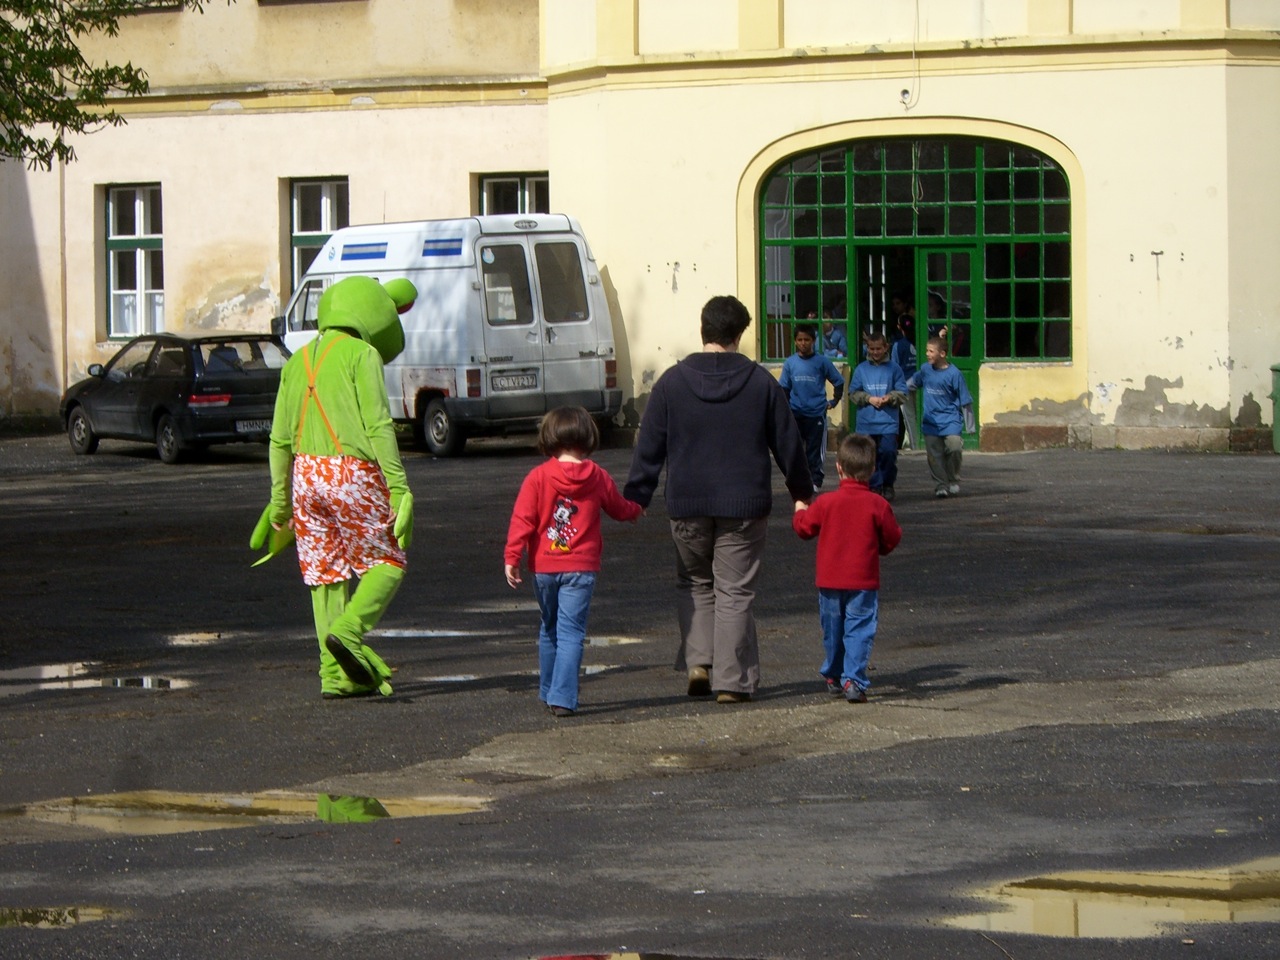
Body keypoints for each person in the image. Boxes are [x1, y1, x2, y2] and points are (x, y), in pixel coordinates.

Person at [624, 295, 812, 705]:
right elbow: (788, 443)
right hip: (744, 504)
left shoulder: (671, 383)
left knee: (694, 582)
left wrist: (638, 495)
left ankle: (699, 663)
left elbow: (650, 444)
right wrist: (801, 492)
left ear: (703, 329)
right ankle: (733, 681)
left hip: (687, 503)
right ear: (739, 335)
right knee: (735, 591)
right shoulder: (761, 383)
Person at [252, 275, 418, 698]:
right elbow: (378, 425)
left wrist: (279, 503)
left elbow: (278, 440)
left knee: (325, 574)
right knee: (388, 561)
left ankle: (334, 676)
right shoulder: (362, 354)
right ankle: (349, 632)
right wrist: (399, 487)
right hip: (351, 473)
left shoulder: (295, 362)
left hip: (306, 477)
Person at [503, 406, 643, 717]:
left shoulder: (538, 477)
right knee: (571, 632)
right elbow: (618, 507)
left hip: (544, 566)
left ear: (550, 437)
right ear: (588, 436)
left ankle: (547, 689)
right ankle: (562, 698)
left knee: (549, 627)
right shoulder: (597, 476)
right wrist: (636, 510)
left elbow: (522, 520)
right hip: (581, 567)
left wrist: (512, 556)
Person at [792, 433, 902, 703]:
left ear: (838, 467)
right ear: (872, 469)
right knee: (859, 628)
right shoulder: (878, 504)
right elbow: (891, 537)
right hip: (863, 579)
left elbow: (805, 529)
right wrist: (879, 548)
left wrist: (799, 510)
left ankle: (833, 673)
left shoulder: (826, 502)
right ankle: (853, 679)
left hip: (830, 579)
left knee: (833, 629)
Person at [905, 335, 975, 498]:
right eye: (927, 351)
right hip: (931, 422)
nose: (927, 354)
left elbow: (965, 400)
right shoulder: (925, 370)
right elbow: (912, 383)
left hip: (950, 420)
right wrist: (898, 390)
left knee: (954, 447)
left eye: (931, 351)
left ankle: (953, 478)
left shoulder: (954, 374)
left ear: (942, 354)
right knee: (934, 455)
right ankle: (940, 485)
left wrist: (970, 426)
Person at [780, 325, 845, 490]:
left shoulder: (822, 361)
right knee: (794, 450)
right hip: (796, 413)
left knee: (815, 451)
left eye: (807, 340)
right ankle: (797, 480)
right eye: (800, 340)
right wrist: (786, 410)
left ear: (814, 341)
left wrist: (834, 401)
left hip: (816, 414)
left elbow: (838, 381)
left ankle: (815, 480)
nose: (803, 343)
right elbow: (784, 388)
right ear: (795, 341)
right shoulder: (790, 363)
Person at [848, 331, 907, 501]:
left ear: (886, 347)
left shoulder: (894, 368)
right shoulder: (861, 369)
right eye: (872, 349)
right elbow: (853, 393)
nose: (875, 352)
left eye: (878, 349)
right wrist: (868, 398)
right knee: (868, 456)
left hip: (888, 422)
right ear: (867, 348)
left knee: (888, 453)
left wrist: (889, 398)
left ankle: (887, 484)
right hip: (866, 422)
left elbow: (903, 392)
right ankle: (874, 485)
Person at [891, 311, 919, 450]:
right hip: (920, 383)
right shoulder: (920, 342)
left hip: (904, 385)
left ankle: (915, 445)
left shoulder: (898, 345)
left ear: (899, 327)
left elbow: (895, 367)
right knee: (921, 415)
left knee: (909, 417)